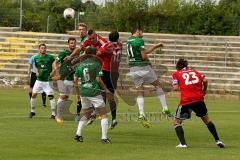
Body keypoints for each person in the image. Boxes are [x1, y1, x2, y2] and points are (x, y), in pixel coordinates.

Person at [172, 58, 224, 148]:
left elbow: (175, 88)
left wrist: (175, 84)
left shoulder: (176, 74)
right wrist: (204, 90)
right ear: (186, 66)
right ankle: (218, 140)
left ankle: (183, 144)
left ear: (178, 67)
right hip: (199, 99)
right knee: (207, 120)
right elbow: (205, 80)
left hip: (186, 100)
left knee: (177, 122)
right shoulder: (195, 72)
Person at [126, 27, 172, 128]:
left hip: (133, 69)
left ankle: (142, 114)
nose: (143, 33)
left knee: (140, 91)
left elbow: (142, 52)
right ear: (137, 31)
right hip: (143, 67)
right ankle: (164, 108)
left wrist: (154, 48)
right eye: (142, 31)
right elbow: (143, 56)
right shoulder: (140, 40)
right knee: (158, 85)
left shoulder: (128, 40)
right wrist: (151, 59)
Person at [74, 47, 112, 144]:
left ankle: (78, 134)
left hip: (84, 92)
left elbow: (75, 82)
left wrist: (78, 94)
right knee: (103, 115)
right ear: (93, 54)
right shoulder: (97, 64)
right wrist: (106, 89)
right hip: (94, 92)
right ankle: (104, 138)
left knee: (86, 114)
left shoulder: (80, 65)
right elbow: (98, 79)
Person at [97, 31, 122, 129]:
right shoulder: (119, 45)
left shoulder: (107, 46)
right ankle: (114, 118)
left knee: (102, 93)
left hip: (106, 71)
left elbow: (98, 53)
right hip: (115, 73)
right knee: (111, 96)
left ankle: (98, 113)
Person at [53, 37, 78, 123]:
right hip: (63, 77)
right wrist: (57, 72)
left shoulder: (77, 53)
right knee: (63, 96)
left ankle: (58, 114)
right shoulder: (64, 53)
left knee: (66, 97)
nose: (73, 44)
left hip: (71, 78)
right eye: (71, 43)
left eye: (74, 43)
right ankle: (57, 116)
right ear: (68, 44)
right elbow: (55, 62)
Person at [29, 43, 56, 119]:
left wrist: (54, 70)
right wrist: (37, 72)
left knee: (50, 96)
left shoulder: (50, 57)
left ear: (46, 49)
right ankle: (32, 111)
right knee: (33, 94)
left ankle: (53, 114)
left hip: (47, 81)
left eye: (44, 48)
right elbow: (37, 66)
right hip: (39, 80)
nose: (43, 49)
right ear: (39, 49)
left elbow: (54, 65)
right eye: (42, 48)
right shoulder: (36, 58)